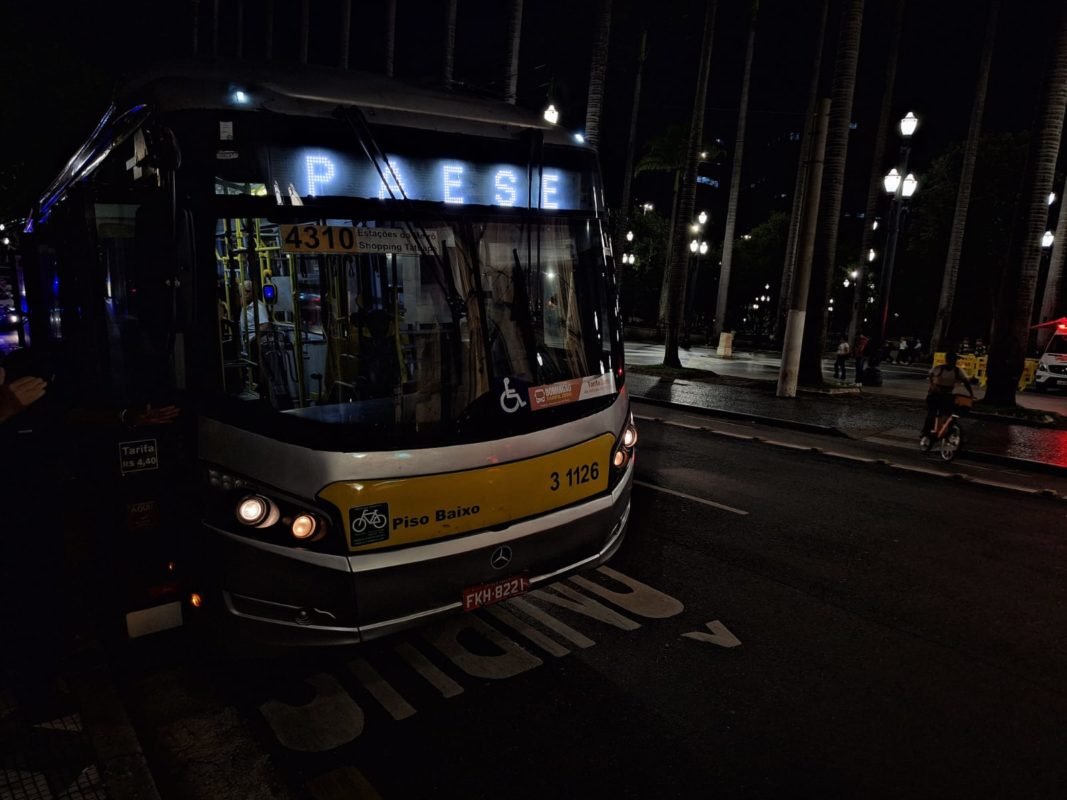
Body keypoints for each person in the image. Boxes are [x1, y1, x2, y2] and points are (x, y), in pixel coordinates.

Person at [922, 352, 975, 439]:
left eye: (955, 360)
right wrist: (933, 385)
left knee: (946, 413)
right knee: (932, 413)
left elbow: (966, 382)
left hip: (947, 395)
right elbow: (931, 375)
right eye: (952, 360)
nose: (954, 362)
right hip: (934, 394)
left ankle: (942, 430)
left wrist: (971, 394)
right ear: (947, 360)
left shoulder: (957, 371)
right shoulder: (939, 368)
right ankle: (925, 432)